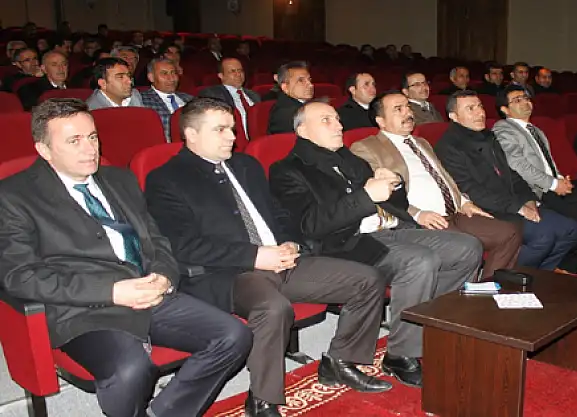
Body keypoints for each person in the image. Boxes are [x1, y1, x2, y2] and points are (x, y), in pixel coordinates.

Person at [0, 99, 252, 417]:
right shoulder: (14, 196)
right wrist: (112, 291)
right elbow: (19, 276)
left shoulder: (120, 179)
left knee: (234, 336)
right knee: (130, 370)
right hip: (82, 310)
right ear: (44, 150)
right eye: (74, 141)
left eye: (92, 137)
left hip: (148, 291)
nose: (89, 149)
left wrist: (163, 276)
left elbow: (157, 240)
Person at [145, 98, 391, 417]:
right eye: (220, 130)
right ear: (191, 134)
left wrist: (290, 243)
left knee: (367, 279)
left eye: (232, 129)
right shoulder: (166, 178)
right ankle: (262, 400)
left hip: (281, 259)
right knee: (273, 308)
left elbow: (279, 214)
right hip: (229, 273)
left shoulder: (246, 166)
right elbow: (184, 246)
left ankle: (341, 361)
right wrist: (255, 256)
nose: (232, 137)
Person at [269, 100, 483, 389]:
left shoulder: (348, 158)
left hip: (388, 229)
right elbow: (310, 225)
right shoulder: (287, 170)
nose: (339, 125)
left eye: (337, 118)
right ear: (303, 131)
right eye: (327, 120)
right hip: (346, 243)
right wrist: (366, 196)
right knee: (419, 262)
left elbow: (397, 204)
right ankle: (401, 354)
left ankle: (433, 325)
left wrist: (394, 183)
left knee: (467, 248)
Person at [351, 91, 522, 278]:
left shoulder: (422, 142)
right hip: (422, 219)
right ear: (381, 121)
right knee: (467, 245)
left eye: (408, 107)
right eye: (398, 109)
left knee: (510, 232)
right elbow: (379, 194)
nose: (408, 112)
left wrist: (463, 201)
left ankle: (486, 286)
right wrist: (418, 214)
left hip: (455, 211)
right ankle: (463, 292)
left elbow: (443, 176)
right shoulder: (367, 147)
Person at [435, 93, 577, 271]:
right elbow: (469, 190)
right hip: (489, 209)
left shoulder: (488, 136)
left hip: (512, 201)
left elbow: (511, 174)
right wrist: (519, 208)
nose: (480, 113)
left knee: (571, 229)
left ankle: (542, 273)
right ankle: (510, 276)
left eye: (480, 106)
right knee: (544, 237)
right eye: (470, 109)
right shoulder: (448, 146)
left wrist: (529, 200)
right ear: (453, 116)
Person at [493, 86, 577, 275]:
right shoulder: (503, 129)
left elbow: (548, 162)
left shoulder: (536, 130)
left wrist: (560, 179)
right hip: (535, 191)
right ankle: (564, 266)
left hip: (552, 186)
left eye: (526, 98)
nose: (525, 102)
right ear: (505, 109)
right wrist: (553, 184)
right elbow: (517, 164)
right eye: (517, 100)